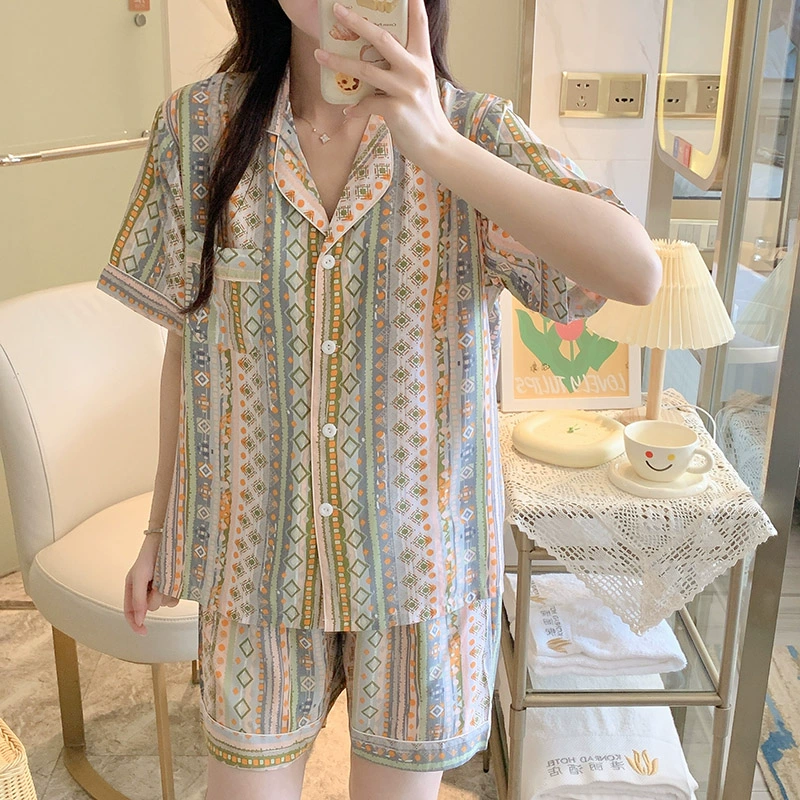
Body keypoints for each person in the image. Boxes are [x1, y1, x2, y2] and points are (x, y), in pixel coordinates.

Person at [96, 0, 661, 797]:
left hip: (421, 573)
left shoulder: (473, 132)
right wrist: (160, 527)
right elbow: (190, 350)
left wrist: (438, 146)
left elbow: (635, 272)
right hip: (254, 566)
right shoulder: (198, 130)